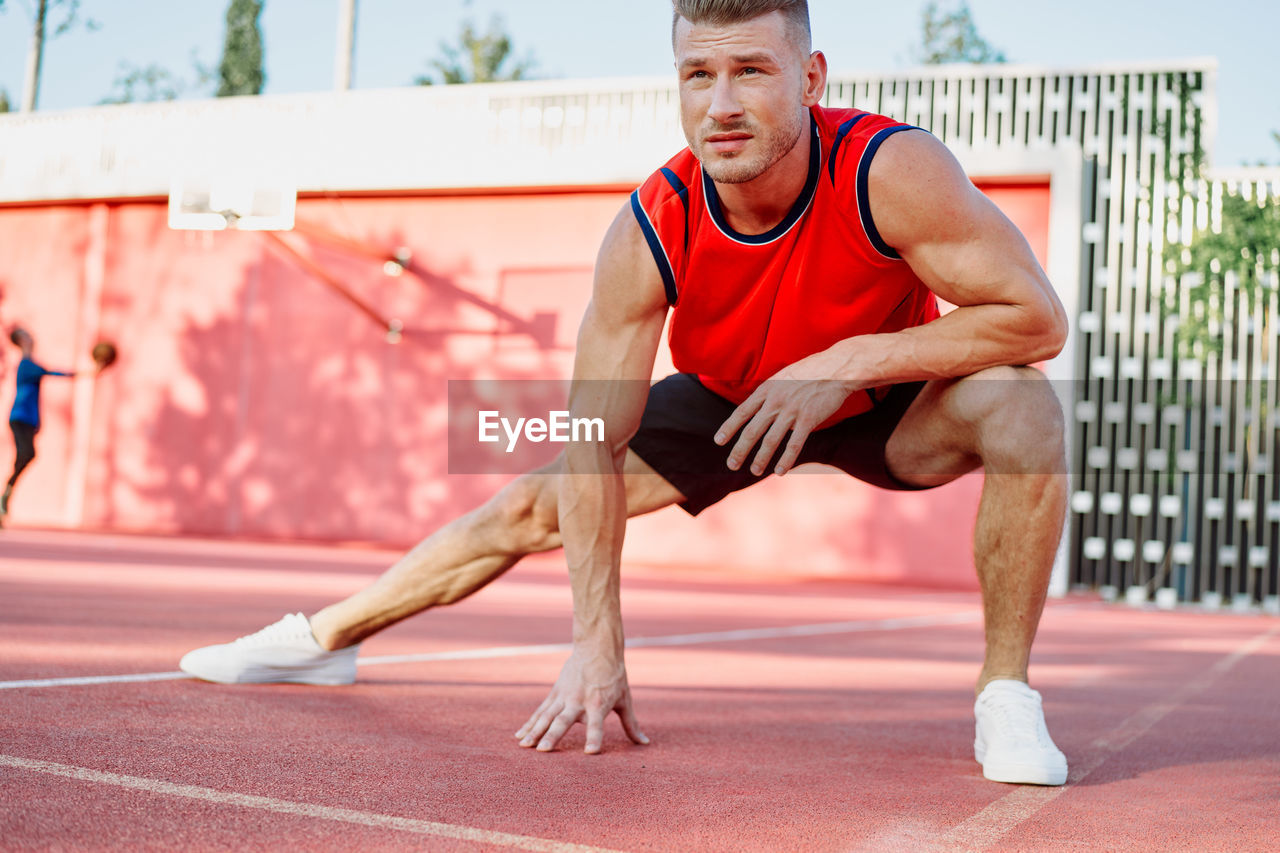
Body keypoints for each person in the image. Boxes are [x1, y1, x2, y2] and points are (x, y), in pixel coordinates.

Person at [180, 0, 1071, 786]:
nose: (721, 103)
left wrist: (840, 364)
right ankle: (324, 638)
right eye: (698, 74)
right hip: (730, 400)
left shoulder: (890, 170)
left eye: (752, 71)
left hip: (888, 401)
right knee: (532, 503)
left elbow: (1037, 319)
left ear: (810, 76)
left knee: (1024, 404)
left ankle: (1005, 692)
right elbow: (589, 442)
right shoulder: (653, 226)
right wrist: (596, 641)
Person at [3, 327, 80, 525]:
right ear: (20, 340)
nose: (32, 337)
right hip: (20, 418)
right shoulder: (26, 365)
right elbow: (54, 372)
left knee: (27, 455)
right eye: (26, 335)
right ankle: (6, 493)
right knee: (27, 453)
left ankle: (6, 494)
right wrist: (85, 373)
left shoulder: (30, 365)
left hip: (28, 420)